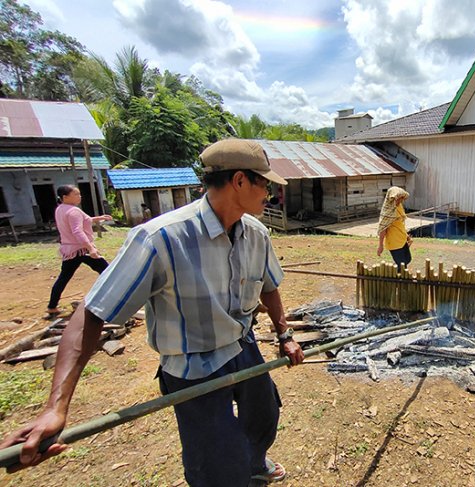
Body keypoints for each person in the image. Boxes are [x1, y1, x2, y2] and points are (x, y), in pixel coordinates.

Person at [1, 139, 305, 486]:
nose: (269, 192)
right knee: (218, 463)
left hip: (242, 345)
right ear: (239, 181)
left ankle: (255, 462)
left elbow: (268, 286)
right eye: (264, 183)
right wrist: (56, 407)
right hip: (193, 364)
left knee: (264, 416)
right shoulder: (160, 238)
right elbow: (92, 312)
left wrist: (285, 335)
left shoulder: (257, 234)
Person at [45, 186, 113, 319]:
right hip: (81, 249)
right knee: (107, 271)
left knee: (63, 277)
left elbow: (82, 221)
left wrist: (98, 218)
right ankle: (113, 298)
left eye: (79, 194)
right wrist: (91, 248)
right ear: (65, 197)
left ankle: (52, 307)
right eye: (76, 194)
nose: (79, 197)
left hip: (69, 250)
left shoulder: (61, 209)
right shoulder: (73, 211)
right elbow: (77, 231)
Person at [377, 186, 412, 269]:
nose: (400, 201)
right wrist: (380, 245)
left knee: (408, 259)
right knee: (402, 265)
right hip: (394, 242)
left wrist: (406, 236)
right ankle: (400, 280)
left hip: (402, 239)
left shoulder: (399, 206)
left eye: (401, 198)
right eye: (398, 198)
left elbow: (400, 223)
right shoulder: (387, 212)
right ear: (392, 199)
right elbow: (383, 229)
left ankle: (395, 271)